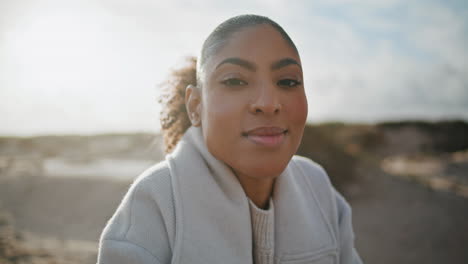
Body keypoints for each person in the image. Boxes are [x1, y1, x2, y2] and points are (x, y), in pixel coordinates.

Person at [97, 14, 363, 264]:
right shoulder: (156, 203)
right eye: (235, 81)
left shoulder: (319, 189)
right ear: (195, 106)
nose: (268, 104)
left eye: (288, 81)